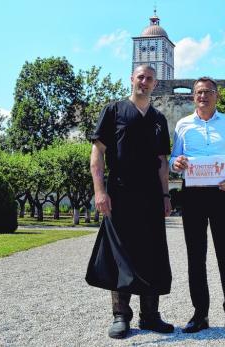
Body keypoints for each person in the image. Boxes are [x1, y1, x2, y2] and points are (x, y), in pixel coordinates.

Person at [86, 65, 174, 339]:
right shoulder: (114, 110)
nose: (144, 82)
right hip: (120, 193)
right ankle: (121, 315)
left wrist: (165, 195)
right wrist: (100, 192)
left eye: (149, 79)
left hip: (150, 195)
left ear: (155, 83)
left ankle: (150, 315)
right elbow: (97, 154)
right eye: (140, 77)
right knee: (120, 255)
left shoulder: (159, 119)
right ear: (131, 80)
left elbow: (162, 162)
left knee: (153, 252)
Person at [170, 77, 225, 335]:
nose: (203, 96)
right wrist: (176, 164)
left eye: (208, 92)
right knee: (195, 256)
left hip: (222, 192)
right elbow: (173, 158)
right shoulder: (182, 125)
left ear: (217, 96)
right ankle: (200, 314)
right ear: (193, 97)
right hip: (192, 194)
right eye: (199, 92)